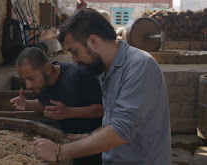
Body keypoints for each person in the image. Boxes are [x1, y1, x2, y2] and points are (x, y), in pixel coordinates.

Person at [33, 8, 172, 165]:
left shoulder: (139, 65)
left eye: (75, 51)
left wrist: (60, 151)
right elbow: (113, 120)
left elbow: (121, 130)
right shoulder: (106, 70)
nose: (74, 60)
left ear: (93, 41)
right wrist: (89, 137)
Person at [10, 47, 104, 165]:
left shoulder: (79, 74)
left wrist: (70, 112)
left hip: (94, 146)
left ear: (48, 68)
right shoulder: (42, 83)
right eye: (24, 80)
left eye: (31, 78)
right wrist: (26, 104)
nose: (28, 86)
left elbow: (102, 109)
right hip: (67, 145)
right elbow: (46, 104)